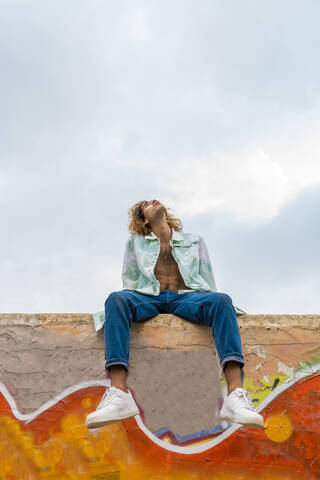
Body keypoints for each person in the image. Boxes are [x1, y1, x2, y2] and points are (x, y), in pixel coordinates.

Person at [86, 199, 264, 430]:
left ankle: (235, 395)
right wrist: (128, 303)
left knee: (221, 300)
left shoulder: (195, 241)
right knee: (116, 299)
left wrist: (214, 307)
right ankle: (119, 393)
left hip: (186, 298)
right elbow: (129, 282)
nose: (154, 201)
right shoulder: (135, 242)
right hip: (148, 297)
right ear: (145, 219)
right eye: (147, 204)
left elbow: (207, 281)